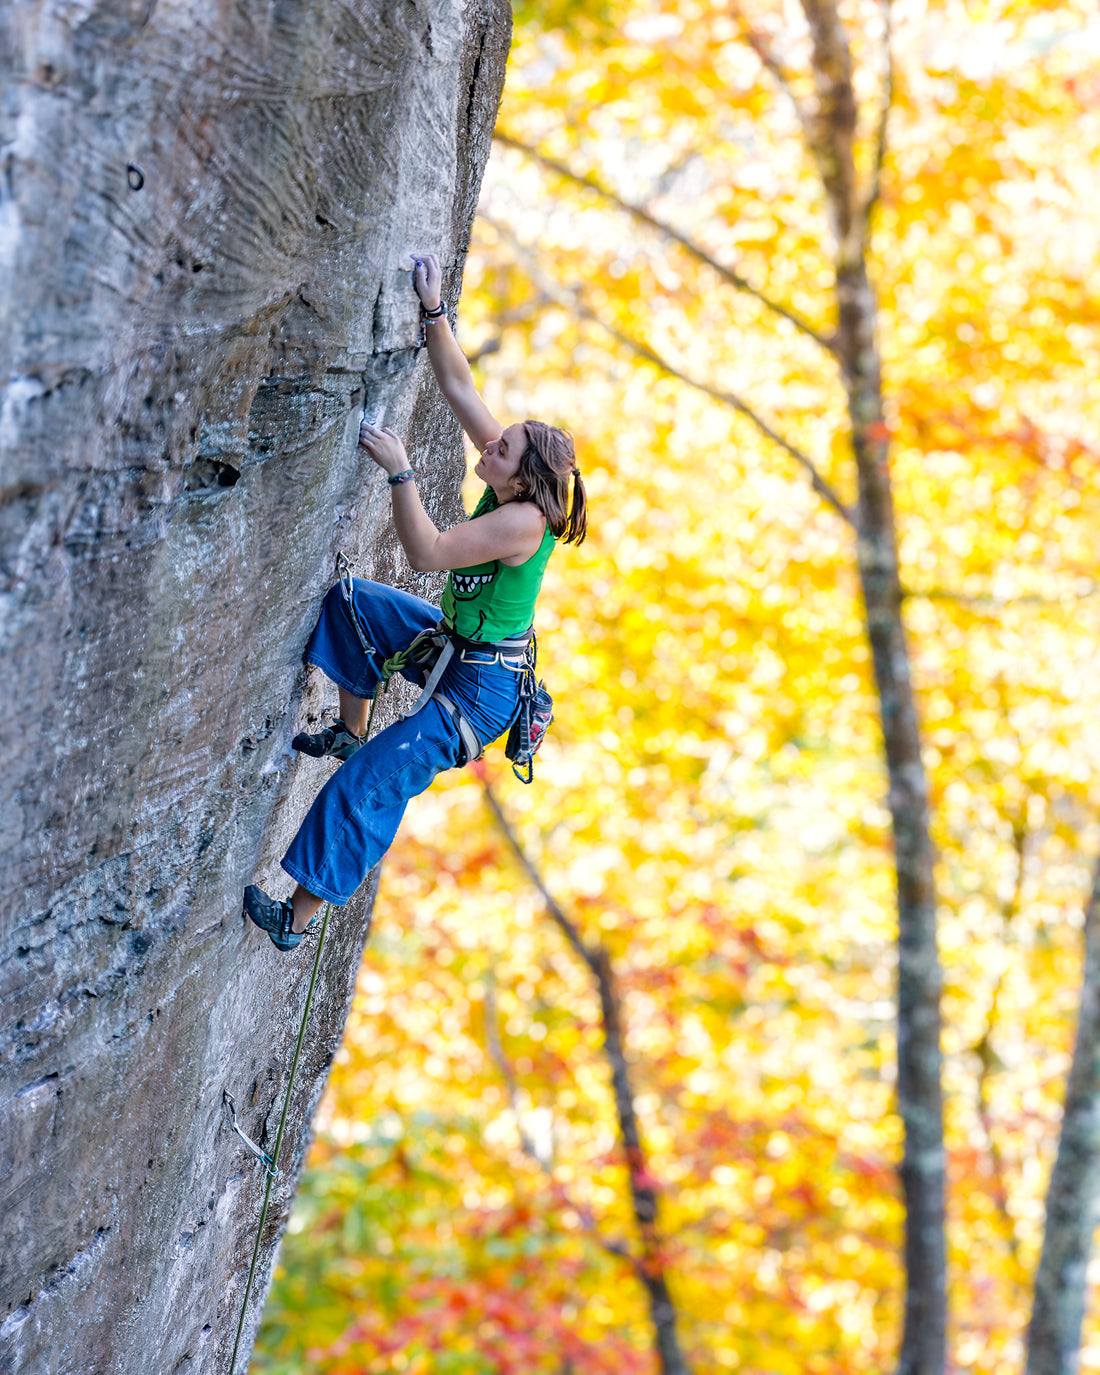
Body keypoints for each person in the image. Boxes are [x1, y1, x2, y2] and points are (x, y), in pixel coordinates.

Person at [243, 253, 587, 951]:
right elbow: (459, 383)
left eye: (506, 446)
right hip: (459, 646)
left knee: (373, 781)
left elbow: (427, 551)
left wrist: (400, 471)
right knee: (353, 605)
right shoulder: (511, 479)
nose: (491, 442)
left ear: (524, 479)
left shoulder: (523, 521)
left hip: (481, 688)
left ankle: (295, 921)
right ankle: (348, 724)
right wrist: (434, 309)